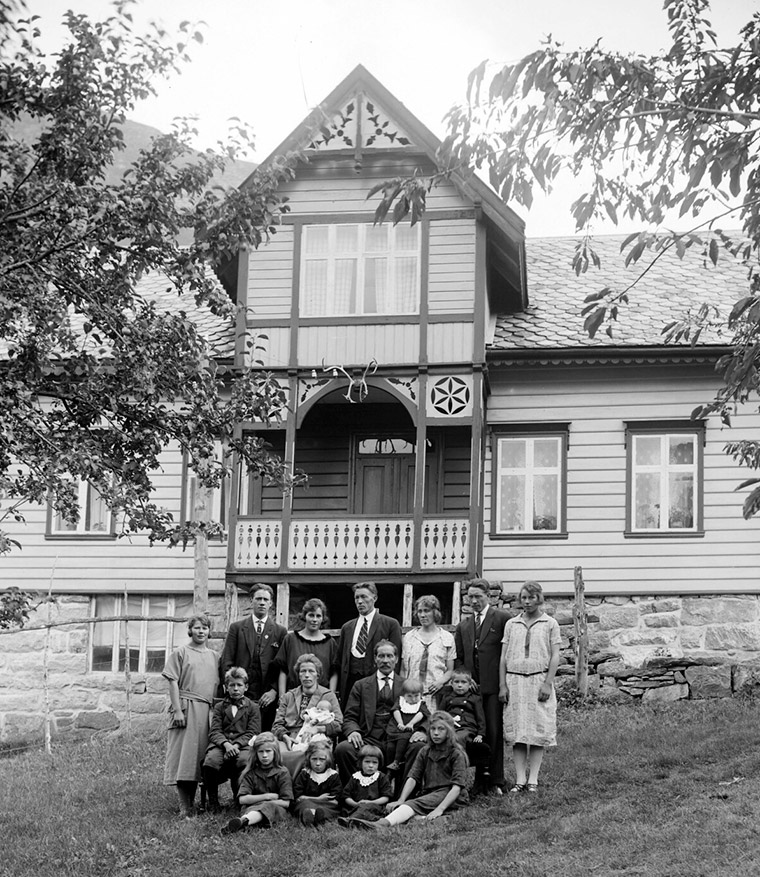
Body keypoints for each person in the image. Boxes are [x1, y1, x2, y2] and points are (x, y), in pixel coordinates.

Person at [342, 711, 469, 829]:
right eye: (433, 729)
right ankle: (426, 819)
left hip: (451, 795)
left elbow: (457, 787)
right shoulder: (426, 751)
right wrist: (401, 799)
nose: (436, 733)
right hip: (430, 794)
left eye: (441, 729)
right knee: (409, 809)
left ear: (449, 732)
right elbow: (413, 776)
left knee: (412, 805)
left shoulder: (456, 754)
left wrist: (440, 809)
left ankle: (381, 824)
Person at [334, 640, 425, 785]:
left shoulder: (407, 685)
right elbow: (350, 716)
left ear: (396, 659)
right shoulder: (361, 685)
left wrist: (422, 731)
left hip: (399, 738)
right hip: (368, 737)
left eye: (389, 656)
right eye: (381, 656)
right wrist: (352, 731)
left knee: (418, 746)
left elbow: (423, 711)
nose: (385, 660)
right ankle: (354, 792)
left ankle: (402, 798)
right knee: (343, 749)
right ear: (375, 659)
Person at [499, 580, 561, 793]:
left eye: (531, 597)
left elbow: (555, 656)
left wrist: (547, 683)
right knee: (518, 733)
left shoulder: (550, 623)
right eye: (524, 598)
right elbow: (503, 657)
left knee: (536, 732)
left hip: (538, 681)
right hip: (515, 682)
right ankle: (520, 779)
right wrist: (502, 685)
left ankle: (533, 779)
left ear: (539, 599)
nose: (527, 602)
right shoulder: (511, 624)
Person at [454, 577, 509, 794]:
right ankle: (479, 780)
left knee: (493, 732)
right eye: (471, 597)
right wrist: (467, 679)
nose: (474, 601)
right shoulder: (464, 626)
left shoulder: (502, 619)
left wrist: (504, 684)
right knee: (475, 733)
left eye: (479, 596)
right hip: (472, 690)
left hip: (494, 687)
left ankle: (496, 780)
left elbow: (508, 653)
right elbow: (459, 658)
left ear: (489, 596)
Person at [162, 614, 219, 818]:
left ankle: (206, 803)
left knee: (203, 758)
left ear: (209, 631)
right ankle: (185, 807)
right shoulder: (180, 652)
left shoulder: (215, 656)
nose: (201, 631)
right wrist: (177, 710)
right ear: (190, 630)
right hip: (186, 707)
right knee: (184, 758)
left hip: (207, 711)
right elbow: (172, 682)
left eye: (205, 628)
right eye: (197, 628)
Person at [221, 584, 287, 731]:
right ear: (251, 601)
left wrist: (274, 691)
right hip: (242, 693)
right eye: (258, 599)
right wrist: (233, 687)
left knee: (264, 735)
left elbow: (283, 666)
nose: (262, 602)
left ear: (271, 603)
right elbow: (227, 660)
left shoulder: (280, 631)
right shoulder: (237, 628)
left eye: (265, 599)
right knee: (240, 732)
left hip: (267, 696)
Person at [272, 653, 342, 775]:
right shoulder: (289, 696)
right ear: (298, 674)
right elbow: (277, 725)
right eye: (303, 671)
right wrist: (285, 737)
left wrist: (317, 729)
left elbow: (338, 724)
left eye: (311, 671)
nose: (307, 675)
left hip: (316, 738)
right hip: (290, 738)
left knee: (309, 753)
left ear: (318, 674)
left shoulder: (328, 695)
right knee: (277, 753)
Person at [202, 666, 262, 811]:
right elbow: (215, 731)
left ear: (246, 687)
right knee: (210, 761)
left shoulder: (253, 707)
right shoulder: (219, 707)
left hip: (243, 746)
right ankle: (213, 802)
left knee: (243, 761)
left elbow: (253, 732)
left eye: (239, 685)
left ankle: (239, 798)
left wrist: (235, 745)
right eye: (232, 685)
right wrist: (226, 745)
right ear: (226, 687)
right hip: (221, 746)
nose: (235, 689)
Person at [337, 581, 402, 706]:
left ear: (375, 598)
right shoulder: (347, 627)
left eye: (364, 597)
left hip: (378, 682)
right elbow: (341, 660)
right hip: (351, 683)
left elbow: (396, 660)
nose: (360, 601)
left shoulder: (390, 624)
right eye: (357, 598)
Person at [221, 732, 293, 834]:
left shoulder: (282, 772)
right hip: (251, 808)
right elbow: (242, 799)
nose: (264, 755)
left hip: (276, 809)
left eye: (268, 751)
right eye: (261, 752)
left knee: (267, 807)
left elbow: (286, 803)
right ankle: (244, 822)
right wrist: (267, 796)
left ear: (275, 752)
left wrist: (264, 803)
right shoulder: (251, 773)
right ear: (256, 753)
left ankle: (243, 822)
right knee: (254, 809)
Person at [438, 668, 491, 794]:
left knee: (458, 738)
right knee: (445, 737)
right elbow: (440, 714)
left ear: (470, 684)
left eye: (463, 682)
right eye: (456, 682)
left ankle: (458, 771)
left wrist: (480, 734)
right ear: (451, 683)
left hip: (467, 728)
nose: (460, 685)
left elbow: (480, 718)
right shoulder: (447, 698)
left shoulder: (474, 698)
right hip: (451, 727)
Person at [401, 595, 455, 711]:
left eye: (426, 611)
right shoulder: (409, 637)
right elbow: (404, 669)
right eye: (419, 611)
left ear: (435, 613)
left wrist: (440, 682)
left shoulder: (446, 637)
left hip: (435, 693)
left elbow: (450, 670)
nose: (422, 615)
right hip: (413, 693)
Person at [275, 597, 339, 695]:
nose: (314, 619)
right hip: (293, 696)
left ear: (323, 619)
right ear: (305, 616)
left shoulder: (330, 643)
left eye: (318, 616)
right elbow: (282, 670)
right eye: (311, 615)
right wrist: (282, 695)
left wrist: (331, 695)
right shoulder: (290, 639)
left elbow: (334, 673)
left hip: (321, 697)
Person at [292, 740, 343, 826]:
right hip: (307, 802)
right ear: (309, 759)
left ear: (328, 760)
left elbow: (335, 801)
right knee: (303, 805)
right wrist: (319, 799)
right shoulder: (305, 774)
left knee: (330, 808)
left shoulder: (333, 776)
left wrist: (321, 802)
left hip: (326, 805)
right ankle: (310, 816)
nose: (318, 763)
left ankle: (318, 816)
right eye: (314, 759)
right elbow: (298, 797)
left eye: (322, 759)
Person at [339, 744, 393, 823]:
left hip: (374, 806)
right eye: (367, 762)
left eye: (374, 762)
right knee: (346, 809)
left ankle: (351, 820)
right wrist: (355, 804)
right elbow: (346, 796)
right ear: (361, 762)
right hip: (356, 806)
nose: (371, 765)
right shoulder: (355, 777)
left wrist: (370, 802)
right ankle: (354, 818)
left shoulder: (381, 777)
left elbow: (386, 797)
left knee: (367, 808)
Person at [385, 678, 430, 772]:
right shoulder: (400, 701)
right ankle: (389, 768)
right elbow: (395, 710)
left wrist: (411, 723)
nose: (413, 699)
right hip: (396, 728)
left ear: (421, 695)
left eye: (416, 696)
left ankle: (397, 762)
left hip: (409, 730)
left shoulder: (421, 704)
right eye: (409, 696)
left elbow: (421, 714)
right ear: (404, 695)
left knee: (403, 739)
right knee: (390, 746)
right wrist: (400, 722)